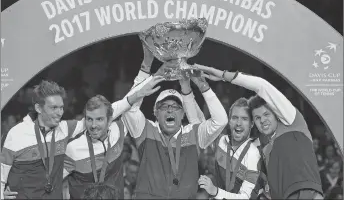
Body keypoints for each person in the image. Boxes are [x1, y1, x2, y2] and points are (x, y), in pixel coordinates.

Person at [0, 79, 145, 199]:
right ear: (39, 108)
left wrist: (134, 96)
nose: (59, 113)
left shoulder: (64, 129)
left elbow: (103, 114)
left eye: (61, 107)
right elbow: (2, 174)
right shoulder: (15, 134)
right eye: (54, 108)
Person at [195, 64, 324, 199]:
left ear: (276, 113)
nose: (262, 120)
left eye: (266, 114)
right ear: (253, 123)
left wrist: (224, 75)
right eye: (257, 117)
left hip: (308, 194)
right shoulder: (262, 149)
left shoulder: (292, 122)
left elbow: (262, 86)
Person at [121, 46, 228, 199]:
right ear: (155, 113)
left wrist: (202, 86)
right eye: (164, 106)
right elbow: (128, 107)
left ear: (183, 113)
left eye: (176, 107)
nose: (170, 110)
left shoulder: (193, 134)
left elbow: (221, 120)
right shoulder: (146, 130)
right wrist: (153, 74)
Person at [63, 78, 163, 199]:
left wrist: (148, 73)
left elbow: (130, 105)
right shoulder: (73, 148)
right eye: (89, 119)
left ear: (110, 120)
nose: (93, 126)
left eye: (99, 119)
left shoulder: (118, 131)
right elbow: (50, 183)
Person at [198, 98, 265, 199]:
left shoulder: (254, 154)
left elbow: (245, 197)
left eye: (244, 119)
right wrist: (187, 92)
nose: (239, 123)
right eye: (234, 118)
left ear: (252, 124)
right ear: (229, 121)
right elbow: (199, 125)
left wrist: (215, 191)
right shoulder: (221, 141)